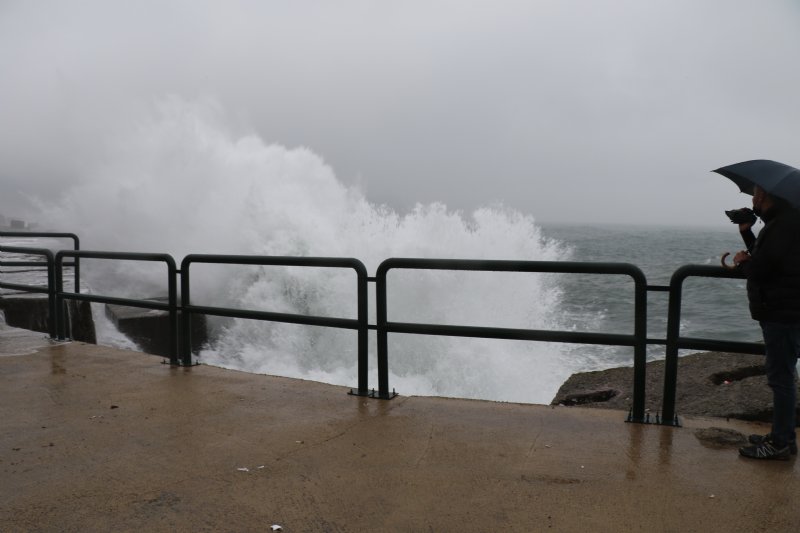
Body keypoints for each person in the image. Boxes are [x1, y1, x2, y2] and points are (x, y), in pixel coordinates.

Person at [733, 185, 800, 460]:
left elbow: (761, 269)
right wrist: (747, 232)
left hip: (782, 313)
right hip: (783, 311)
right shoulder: (783, 225)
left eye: (756, 194)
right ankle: (783, 436)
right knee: (782, 375)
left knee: (781, 378)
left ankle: (781, 443)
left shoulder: (783, 227)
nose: (752, 199)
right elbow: (771, 258)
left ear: (768, 197)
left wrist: (741, 262)